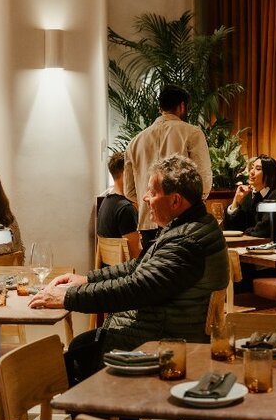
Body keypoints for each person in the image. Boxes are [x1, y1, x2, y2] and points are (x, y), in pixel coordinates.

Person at [30, 155, 229, 384]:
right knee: (80, 348)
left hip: (166, 345)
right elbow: (137, 268)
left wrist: (68, 297)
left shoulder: (186, 242)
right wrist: (85, 279)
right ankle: (115, 418)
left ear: (175, 201)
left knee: (69, 365)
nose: (144, 198)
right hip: (162, 332)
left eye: (152, 192)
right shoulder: (188, 228)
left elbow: (135, 289)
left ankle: (107, 417)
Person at [124, 85, 212, 250]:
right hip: (182, 220)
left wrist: (153, 202)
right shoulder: (192, 133)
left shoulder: (135, 141)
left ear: (160, 108)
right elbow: (204, 180)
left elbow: (129, 191)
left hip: (148, 221)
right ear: (182, 106)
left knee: (152, 272)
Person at [224, 155, 276, 240]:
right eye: (252, 168)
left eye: (258, 169)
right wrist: (236, 200)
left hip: (275, 249)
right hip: (250, 247)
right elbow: (232, 229)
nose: (251, 172)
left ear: (269, 174)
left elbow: (264, 230)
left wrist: (245, 231)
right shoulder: (249, 196)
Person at [97, 152, 140, 259]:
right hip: (124, 273)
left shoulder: (106, 202)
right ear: (126, 173)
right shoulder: (126, 209)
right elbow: (136, 255)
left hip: (108, 269)